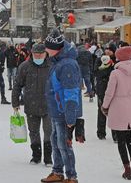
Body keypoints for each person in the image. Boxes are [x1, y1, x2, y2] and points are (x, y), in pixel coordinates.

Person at [41, 29, 82, 183]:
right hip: (56, 110)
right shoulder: (58, 61)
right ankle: (57, 172)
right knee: (56, 141)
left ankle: (71, 176)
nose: (45, 50)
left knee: (64, 145)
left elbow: (71, 93)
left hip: (63, 112)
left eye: (47, 48)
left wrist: (70, 116)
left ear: (55, 48)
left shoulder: (67, 65)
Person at [101, 46, 131, 180]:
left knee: (121, 139)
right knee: (129, 137)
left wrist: (105, 106)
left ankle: (127, 168)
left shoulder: (116, 73)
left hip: (118, 107)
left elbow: (109, 92)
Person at [12, 44, 53, 166]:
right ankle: (36, 156)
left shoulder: (52, 66)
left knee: (49, 131)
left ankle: (48, 157)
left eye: (41, 54)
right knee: (33, 131)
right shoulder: (25, 67)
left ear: (46, 54)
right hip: (31, 104)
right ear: (32, 54)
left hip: (49, 105)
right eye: (36, 54)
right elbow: (17, 85)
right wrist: (15, 101)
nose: (38, 56)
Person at [94, 55, 116, 141]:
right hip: (102, 89)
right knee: (101, 110)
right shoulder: (99, 60)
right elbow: (96, 73)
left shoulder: (115, 62)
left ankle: (115, 134)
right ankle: (101, 133)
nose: (108, 51)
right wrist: (106, 69)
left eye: (110, 50)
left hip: (113, 90)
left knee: (113, 112)